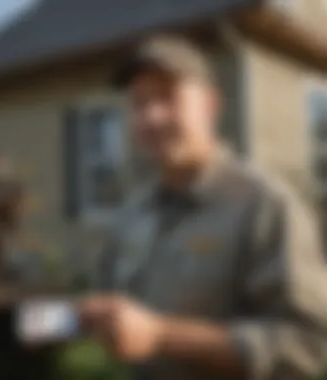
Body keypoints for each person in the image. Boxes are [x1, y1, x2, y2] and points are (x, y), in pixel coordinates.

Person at [78, 35, 327, 380]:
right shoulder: (133, 213)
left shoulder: (265, 206)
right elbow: (110, 298)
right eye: (139, 103)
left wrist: (162, 336)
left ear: (210, 106)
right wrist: (88, 317)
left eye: (167, 97)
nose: (152, 117)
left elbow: (308, 344)